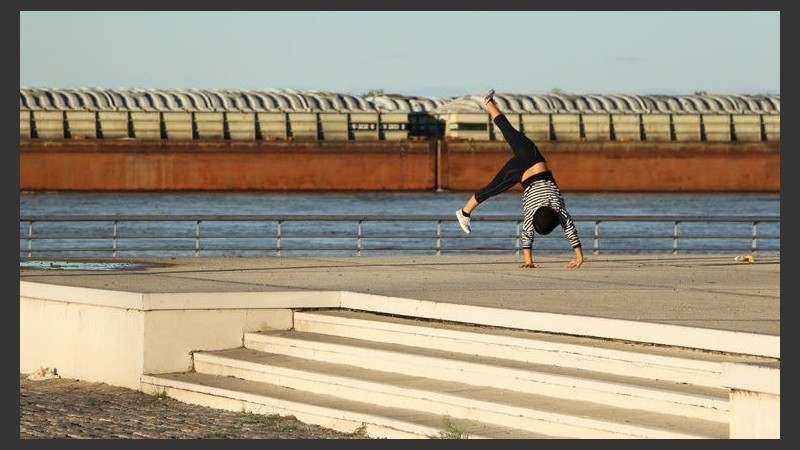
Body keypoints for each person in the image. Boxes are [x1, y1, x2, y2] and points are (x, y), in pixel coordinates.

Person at [455, 89, 584, 269]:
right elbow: (527, 236)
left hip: (534, 158)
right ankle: (464, 212)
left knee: (508, 130)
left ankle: (488, 103)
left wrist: (580, 256)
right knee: (492, 188)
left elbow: (570, 230)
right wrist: (528, 262)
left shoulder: (559, 210)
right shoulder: (537, 215)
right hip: (522, 173)